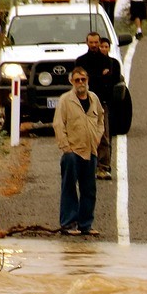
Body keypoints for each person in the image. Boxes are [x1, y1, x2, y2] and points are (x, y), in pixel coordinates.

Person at [55, 66, 104, 237]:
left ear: (87, 80)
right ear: (71, 82)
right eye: (77, 80)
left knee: (89, 189)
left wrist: (97, 138)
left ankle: (86, 224)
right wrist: (66, 148)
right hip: (72, 152)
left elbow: (100, 120)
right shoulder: (65, 101)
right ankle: (68, 223)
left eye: (83, 79)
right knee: (69, 187)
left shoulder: (93, 98)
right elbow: (58, 124)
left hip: (90, 151)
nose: (81, 83)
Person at [74, 31, 122, 180]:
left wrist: (98, 78)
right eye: (91, 42)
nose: (94, 45)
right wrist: (100, 76)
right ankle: (86, 167)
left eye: (96, 43)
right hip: (83, 103)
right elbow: (80, 80)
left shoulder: (109, 62)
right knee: (83, 135)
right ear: (86, 43)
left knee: (104, 136)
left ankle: (104, 167)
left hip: (102, 103)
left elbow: (112, 80)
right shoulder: (80, 61)